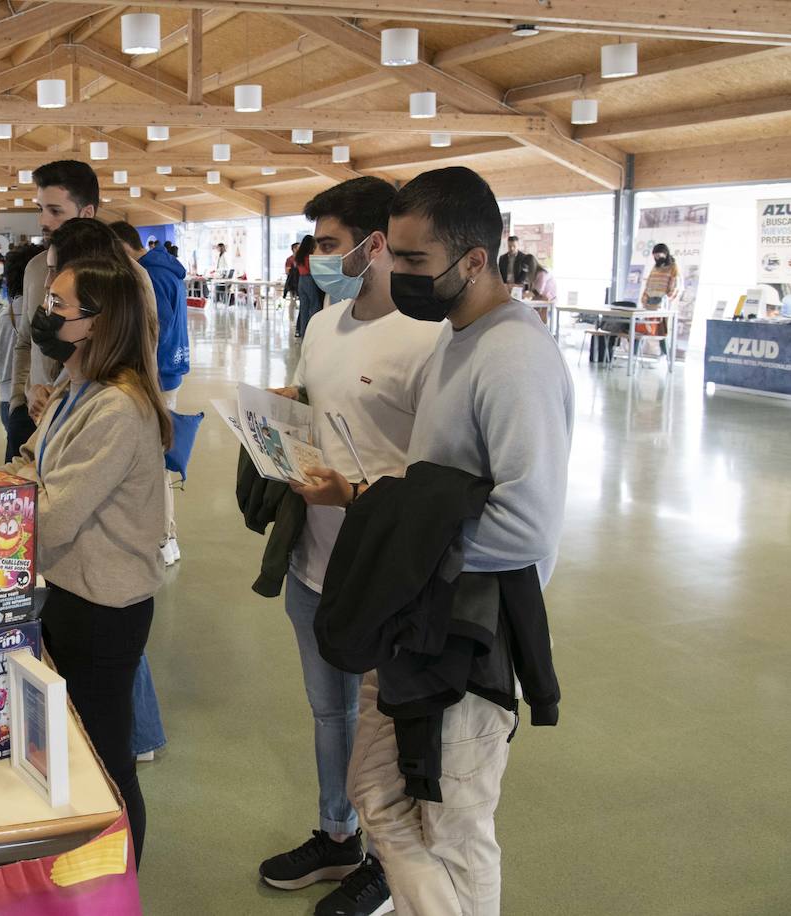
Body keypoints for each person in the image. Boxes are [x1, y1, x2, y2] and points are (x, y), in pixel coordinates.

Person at [324, 166, 572, 916]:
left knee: (457, 826)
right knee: (376, 787)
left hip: (466, 632)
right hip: (418, 614)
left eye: (412, 261)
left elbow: (527, 525)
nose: (394, 274)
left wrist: (401, 547)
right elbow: (437, 480)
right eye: (390, 255)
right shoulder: (453, 338)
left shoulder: (514, 358)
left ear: (474, 260)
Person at [260, 178, 446, 916]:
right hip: (314, 563)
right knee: (328, 714)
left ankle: (388, 860)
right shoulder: (323, 325)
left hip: (381, 574)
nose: (317, 260)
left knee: (386, 725)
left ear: (376, 246)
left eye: (329, 245)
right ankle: (338, 835)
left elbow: (433, 474)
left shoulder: (429, 340)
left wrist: (355, 494)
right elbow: (310, 413)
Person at [6, 256, 171, 865]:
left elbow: (49, 513)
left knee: (105, 755)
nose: (44, 316)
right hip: (70, 590)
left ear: (98, 323)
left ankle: (121, 877)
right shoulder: (81, 387)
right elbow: (30, 458)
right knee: (78, 745)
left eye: (58, 307)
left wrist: (5, 495)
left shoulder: (117, 409)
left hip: (105, 605)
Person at [7, 160, 103, 457]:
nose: (43, 221)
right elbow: (25, 342)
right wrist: (23, 397)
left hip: (90, 425)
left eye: (56, 211)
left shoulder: (128, 279)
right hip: (32, 421)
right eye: (41, 209)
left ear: (86, 214)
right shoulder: (36, 269)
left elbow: (139, 358)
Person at [109, 220, 189, 567]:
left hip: (156, 376)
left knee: (156, 462)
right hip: (167, 371)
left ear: (125, 248)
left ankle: (166, 539)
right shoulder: (162, 268)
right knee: (156, 458)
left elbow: (157, 329)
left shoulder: (150, 275)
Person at [0, 242, 44, 457]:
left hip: (11, 396)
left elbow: (0, 360)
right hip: (23, 399)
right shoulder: (28, 312)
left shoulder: (8, 313)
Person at [295, 234, 321, 338]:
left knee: (303, 308)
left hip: (301, 281)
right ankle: (313, 332)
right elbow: (312, 269)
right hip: (309, 280)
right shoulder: (309, 257)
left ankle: (303, 333)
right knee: (314, 306)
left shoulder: (298, 256)